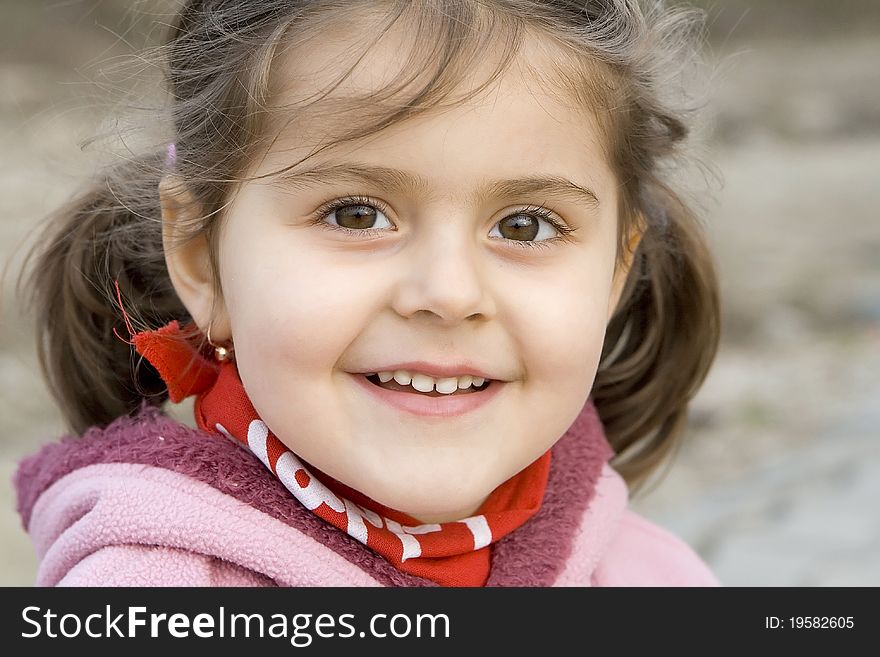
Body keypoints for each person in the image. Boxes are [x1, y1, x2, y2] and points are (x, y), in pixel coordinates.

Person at [14, 0, 721, 587]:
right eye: (357, 214)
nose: (447, 294)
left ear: (616, 269)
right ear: (202, 256)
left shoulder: (651, 576)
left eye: (525, 225)